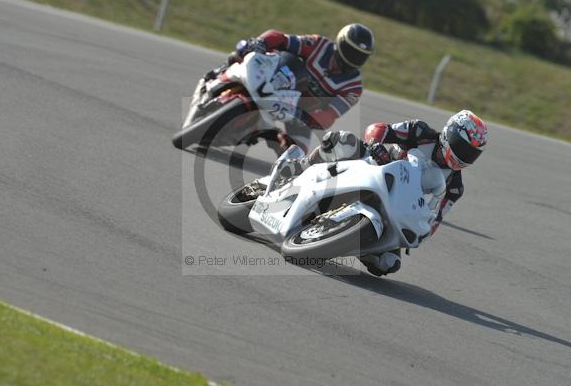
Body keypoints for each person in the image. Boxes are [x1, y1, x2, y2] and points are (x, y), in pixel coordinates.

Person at [278, 110, 489, 276]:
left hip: (394, 204)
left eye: (472, 154)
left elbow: (435, 220)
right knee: (343, 140)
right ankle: (299, 166)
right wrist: (375, 145)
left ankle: (341, 239)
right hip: (375, 166)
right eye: (463, 147)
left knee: (388, 263)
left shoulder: (454, 187)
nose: (464, 156)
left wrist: (419, 233)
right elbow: (378, 129)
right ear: (449, 133)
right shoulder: (420, 132)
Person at [207, 24, 375, 152]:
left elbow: (330, 116)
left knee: (297, 155)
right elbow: (281, 39)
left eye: (360, 56)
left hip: (298, 113)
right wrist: (261, 42)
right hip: (275, 80)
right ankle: (218, 74)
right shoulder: (319, 45)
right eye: (352, 52)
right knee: (243, 50)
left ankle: (260, 133)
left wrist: (312, 118)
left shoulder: (354, 87)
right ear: (341, 43)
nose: (354, 59)